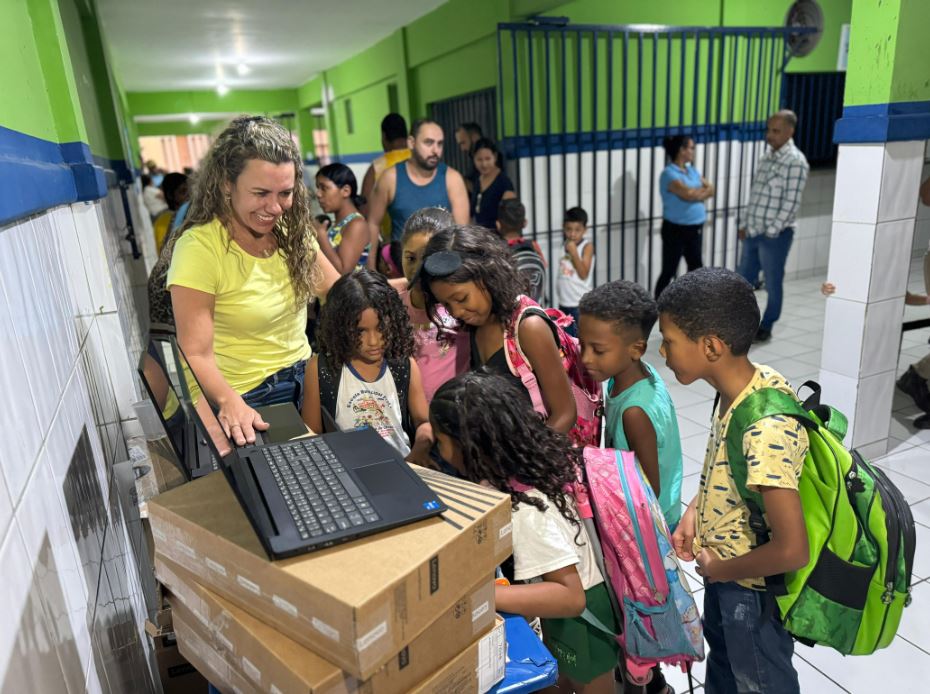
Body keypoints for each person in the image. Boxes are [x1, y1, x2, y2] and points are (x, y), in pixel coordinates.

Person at [659, 267, 809, 694]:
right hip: (726, 578)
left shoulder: (765, 427)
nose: (664, 353)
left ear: (710, 346)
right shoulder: (736, 389)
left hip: (751, 592)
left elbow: (792, 549)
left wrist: (721, 569)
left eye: (669, 342)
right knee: (725, 673)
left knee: (758, 680)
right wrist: (694, 513)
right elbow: (726, 471)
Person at [430, 372, 619, 694]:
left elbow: (570, 597)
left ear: (468, 445)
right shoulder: (527, 464)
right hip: (580, 607)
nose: (437, 449)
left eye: (439, 441)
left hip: (586, 618)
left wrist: (485, 596)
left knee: (590, 684)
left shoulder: (526, 509)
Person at [167, 115, 340, 446]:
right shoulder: (200, 248)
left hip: (306, 380)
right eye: (260, 193)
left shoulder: (292, 233)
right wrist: (230, 402)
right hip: (245, 394)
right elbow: (196, 351)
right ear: (226, 185)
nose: (274, 207)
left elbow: (336, 290)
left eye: (285, 193)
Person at [419, 225, 577, 433]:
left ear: (487, 277)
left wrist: (527, 461)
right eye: (446, 305)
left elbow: (565, 414)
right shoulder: (474, 324)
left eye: (461, 298)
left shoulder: (529, 328)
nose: (456, 312)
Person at [578, 280, 683, 529]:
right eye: (582, 345)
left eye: (598, 350)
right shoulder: (628, 375)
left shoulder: (634, 412)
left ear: (636, 349)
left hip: (651, 522)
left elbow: (649, 491)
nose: (585, 358)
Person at [302, 269, 433, 464]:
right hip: (347, 472)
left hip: (404, 466)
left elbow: (423, 422)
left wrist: (420, 448)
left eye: (381, 328)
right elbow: (312, 434)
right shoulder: (320, 368)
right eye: (360, 331)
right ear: (340, 327)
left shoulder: (404, 366)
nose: (373, 341)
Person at [738, 110, 809, 343]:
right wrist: (745, 224)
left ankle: (766, 324)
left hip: (775, 236)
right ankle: (740, 323)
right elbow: (755, 194)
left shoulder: (796, 162)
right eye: (769, 129)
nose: (770, 135)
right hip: (753, 231)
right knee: (742, 282)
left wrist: (771, 232)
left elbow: (791, 203)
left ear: (790, 132)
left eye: (776, 131)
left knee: (772, 282)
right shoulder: (766, 157)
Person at [366, 119, 470, 275]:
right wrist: (371, 269)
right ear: (411, 142)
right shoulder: (390, 178)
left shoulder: (452, 179)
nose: (435, 150)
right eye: (428, 143)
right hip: (401, 270)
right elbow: (373, 223)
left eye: (439, 144)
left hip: (442, 270)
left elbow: (462, 231)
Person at [398, 208, 470, 402]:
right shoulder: (395, 307)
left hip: (455, 413)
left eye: (428, 259)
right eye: (410, 258)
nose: (418, 268)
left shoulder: (461, 307)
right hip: (411, 419)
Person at [654, 135, 714, 298]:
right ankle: (658, 306)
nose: (693, 151)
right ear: (681, 150)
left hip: (694, 228)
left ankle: (693, 305)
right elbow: (687, 194)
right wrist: (700, 192)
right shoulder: (669, 173)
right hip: (676, 229)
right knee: (669, 270)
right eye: (691, 147)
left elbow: (711, 189)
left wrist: (697, 193)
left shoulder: (692, 170)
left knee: (696, 268)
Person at [360, 113, 411, 255]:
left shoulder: (376, 168)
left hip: (393, 248)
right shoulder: (419, 161)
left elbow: (365, 211)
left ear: (383, 136)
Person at [313, 163, 371, 274]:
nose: (318, 194)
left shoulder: (357, 224)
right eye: (318, 188)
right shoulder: (337, 224)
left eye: (324, 188)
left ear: (345, 191)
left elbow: (343, 272)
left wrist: (321, 236)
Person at [496, 198, 547, 304]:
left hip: (511, 312)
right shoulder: (532, 245)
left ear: (498, 224)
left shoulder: (497, 249)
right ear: (525, 223)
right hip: (536, 307)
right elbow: (544, 265)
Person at [558, 207, 595, 338]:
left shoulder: (587, 246)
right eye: (569, 229)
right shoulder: (565, 244)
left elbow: (583, 273)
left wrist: (574, 253)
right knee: (566, 341)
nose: (572, 234)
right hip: (564, 302)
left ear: (585, 230)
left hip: (578, 303)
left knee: (580, 341)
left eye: (577, 230)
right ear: (563, 228)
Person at [470, 138, 515, 229]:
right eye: (479, 159)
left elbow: (510, 218)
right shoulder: (478, 180)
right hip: (481, 236)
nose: (484, 164)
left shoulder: (504, 183)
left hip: (497, 238)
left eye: (488, 159)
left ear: (495, 157)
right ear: (473, 159)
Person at [152, 172, 190, 253]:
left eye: (190, 190)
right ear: (170, 195)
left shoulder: (195, 214)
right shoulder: (163, 221)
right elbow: (165, 253)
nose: (189, 195)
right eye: (183, 192)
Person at [455, 122, 483, 193]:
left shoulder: (486, 158)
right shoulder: (473, 156)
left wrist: (459, 178)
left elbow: (481, 190)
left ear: (474, 137)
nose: (462, 149)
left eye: (463, 143)